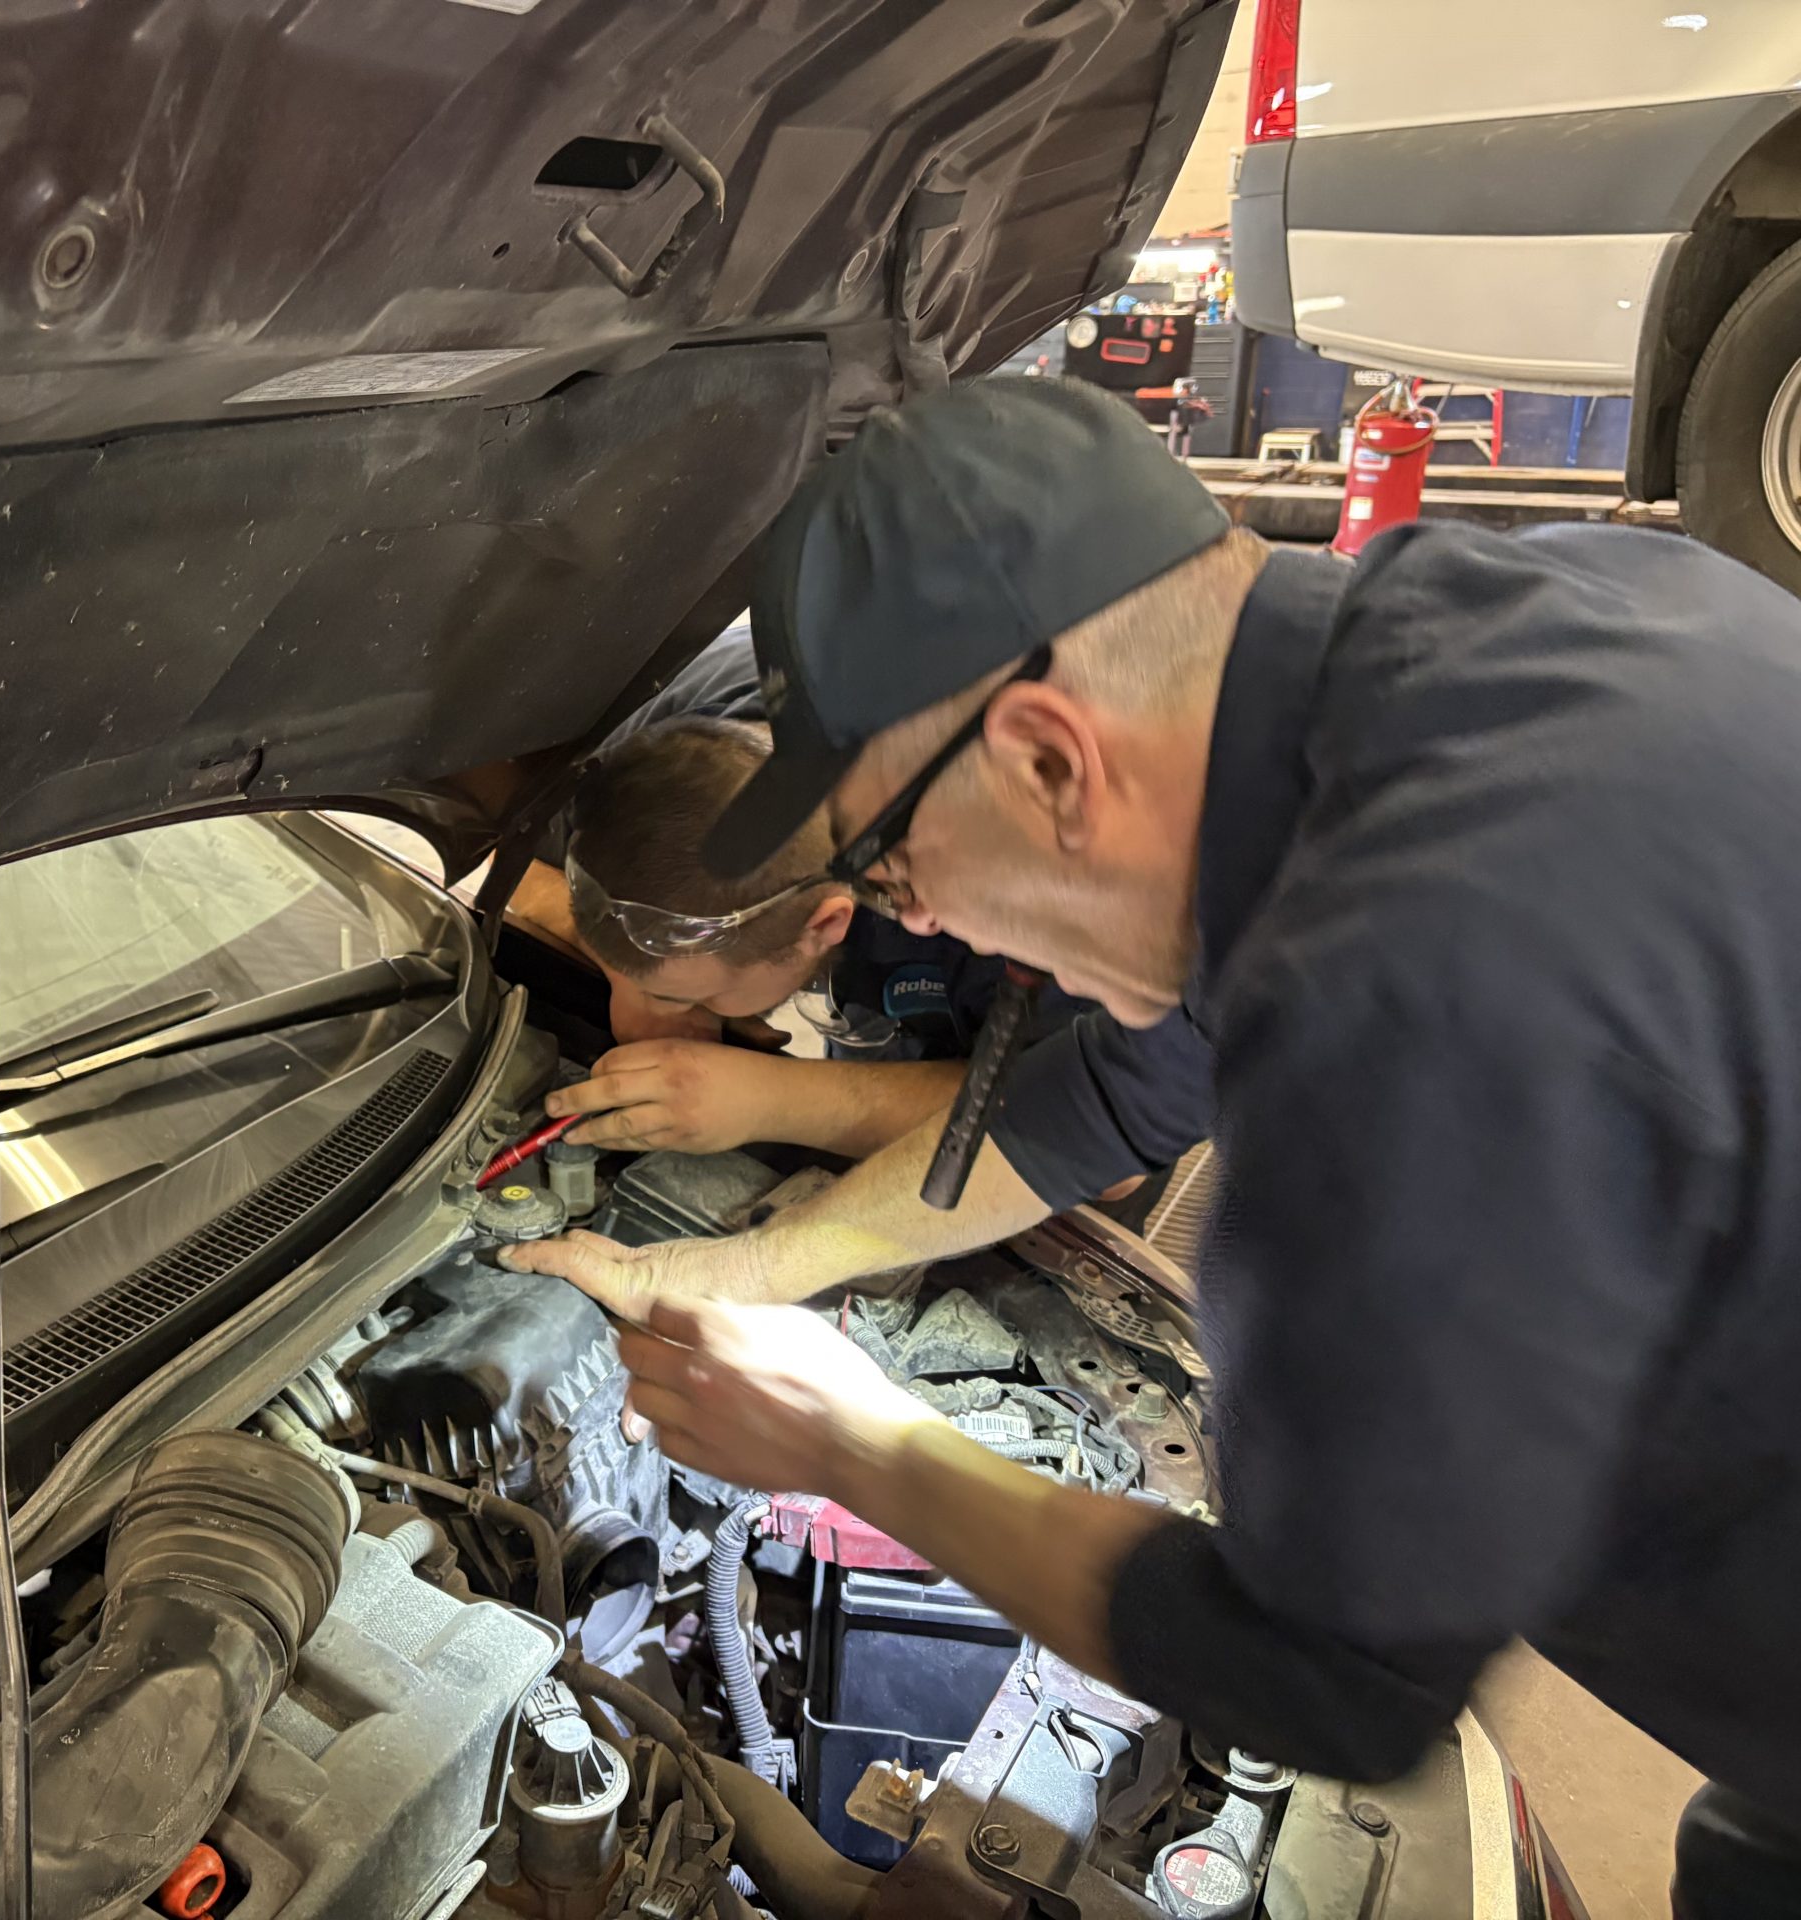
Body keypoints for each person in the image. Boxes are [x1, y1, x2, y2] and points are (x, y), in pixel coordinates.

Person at [507, 377, 1801, 1911]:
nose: (913, 919)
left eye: (897, 864)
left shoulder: (1408, 984)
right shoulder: (1500, 632)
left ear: (1053, 762)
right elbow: (1110, 1098)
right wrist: (756, 1263)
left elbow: (1328, 1678)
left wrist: (847, 1441)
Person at [511, 644, 1212, 1190]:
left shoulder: (1027, 882)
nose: (641, 1015)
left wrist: (777, 1102)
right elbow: (514, 874)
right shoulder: (657, 749)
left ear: (826, 923)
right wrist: (642, 983)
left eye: (694, 992)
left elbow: (1105, 1149)